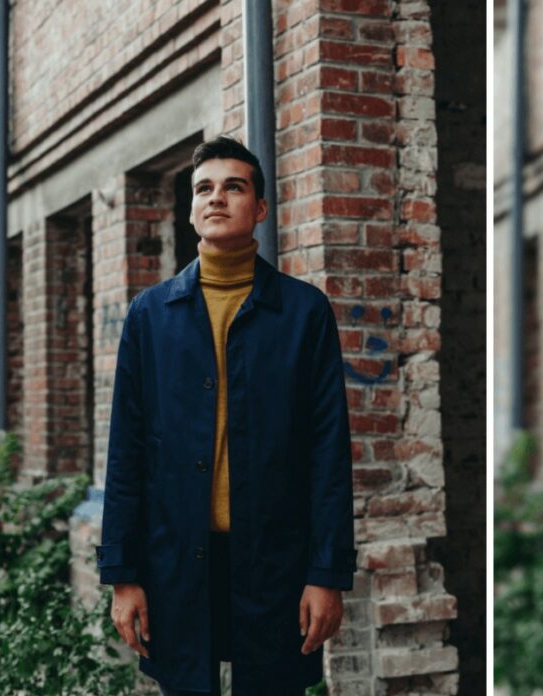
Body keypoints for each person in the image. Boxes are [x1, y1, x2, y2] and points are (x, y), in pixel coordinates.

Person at [96, 136, 356, 695]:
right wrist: (122, 575)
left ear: (259, 207)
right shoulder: (150, 316)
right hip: (176, 561)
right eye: (204, 189)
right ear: (191, 208)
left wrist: (326, 574)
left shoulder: (303, 312)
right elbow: (126, 452)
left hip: (275, 560)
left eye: (234, 187)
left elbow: (328, 452)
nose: (217, 198)